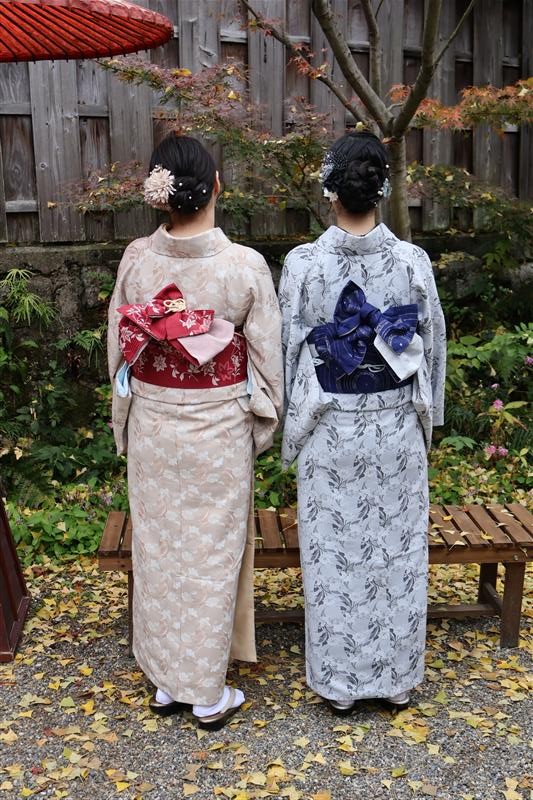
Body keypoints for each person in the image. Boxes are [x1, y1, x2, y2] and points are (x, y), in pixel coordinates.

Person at [107, 134, 283, 730]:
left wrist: (129, 414)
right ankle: (205, 692)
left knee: (160, 550)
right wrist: (258, 422)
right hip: (219, 428)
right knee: (211, 552)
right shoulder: (244, 266)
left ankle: (167, 681)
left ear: (161, 195)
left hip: (154, 424)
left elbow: (120, 354)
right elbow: (268, 362)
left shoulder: (138, 259)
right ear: (215, 188)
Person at [279, 131, 446, 715]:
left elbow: (286, 351)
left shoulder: (304, 265)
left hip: (329, 430)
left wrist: (288, 423)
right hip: (397, 428)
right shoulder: (411, 262)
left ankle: (339, 686)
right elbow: (432, 350)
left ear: (330, 191)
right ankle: (396, 679)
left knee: (334, 555)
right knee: (396, 553)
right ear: (382, 189)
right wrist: (430, 421)